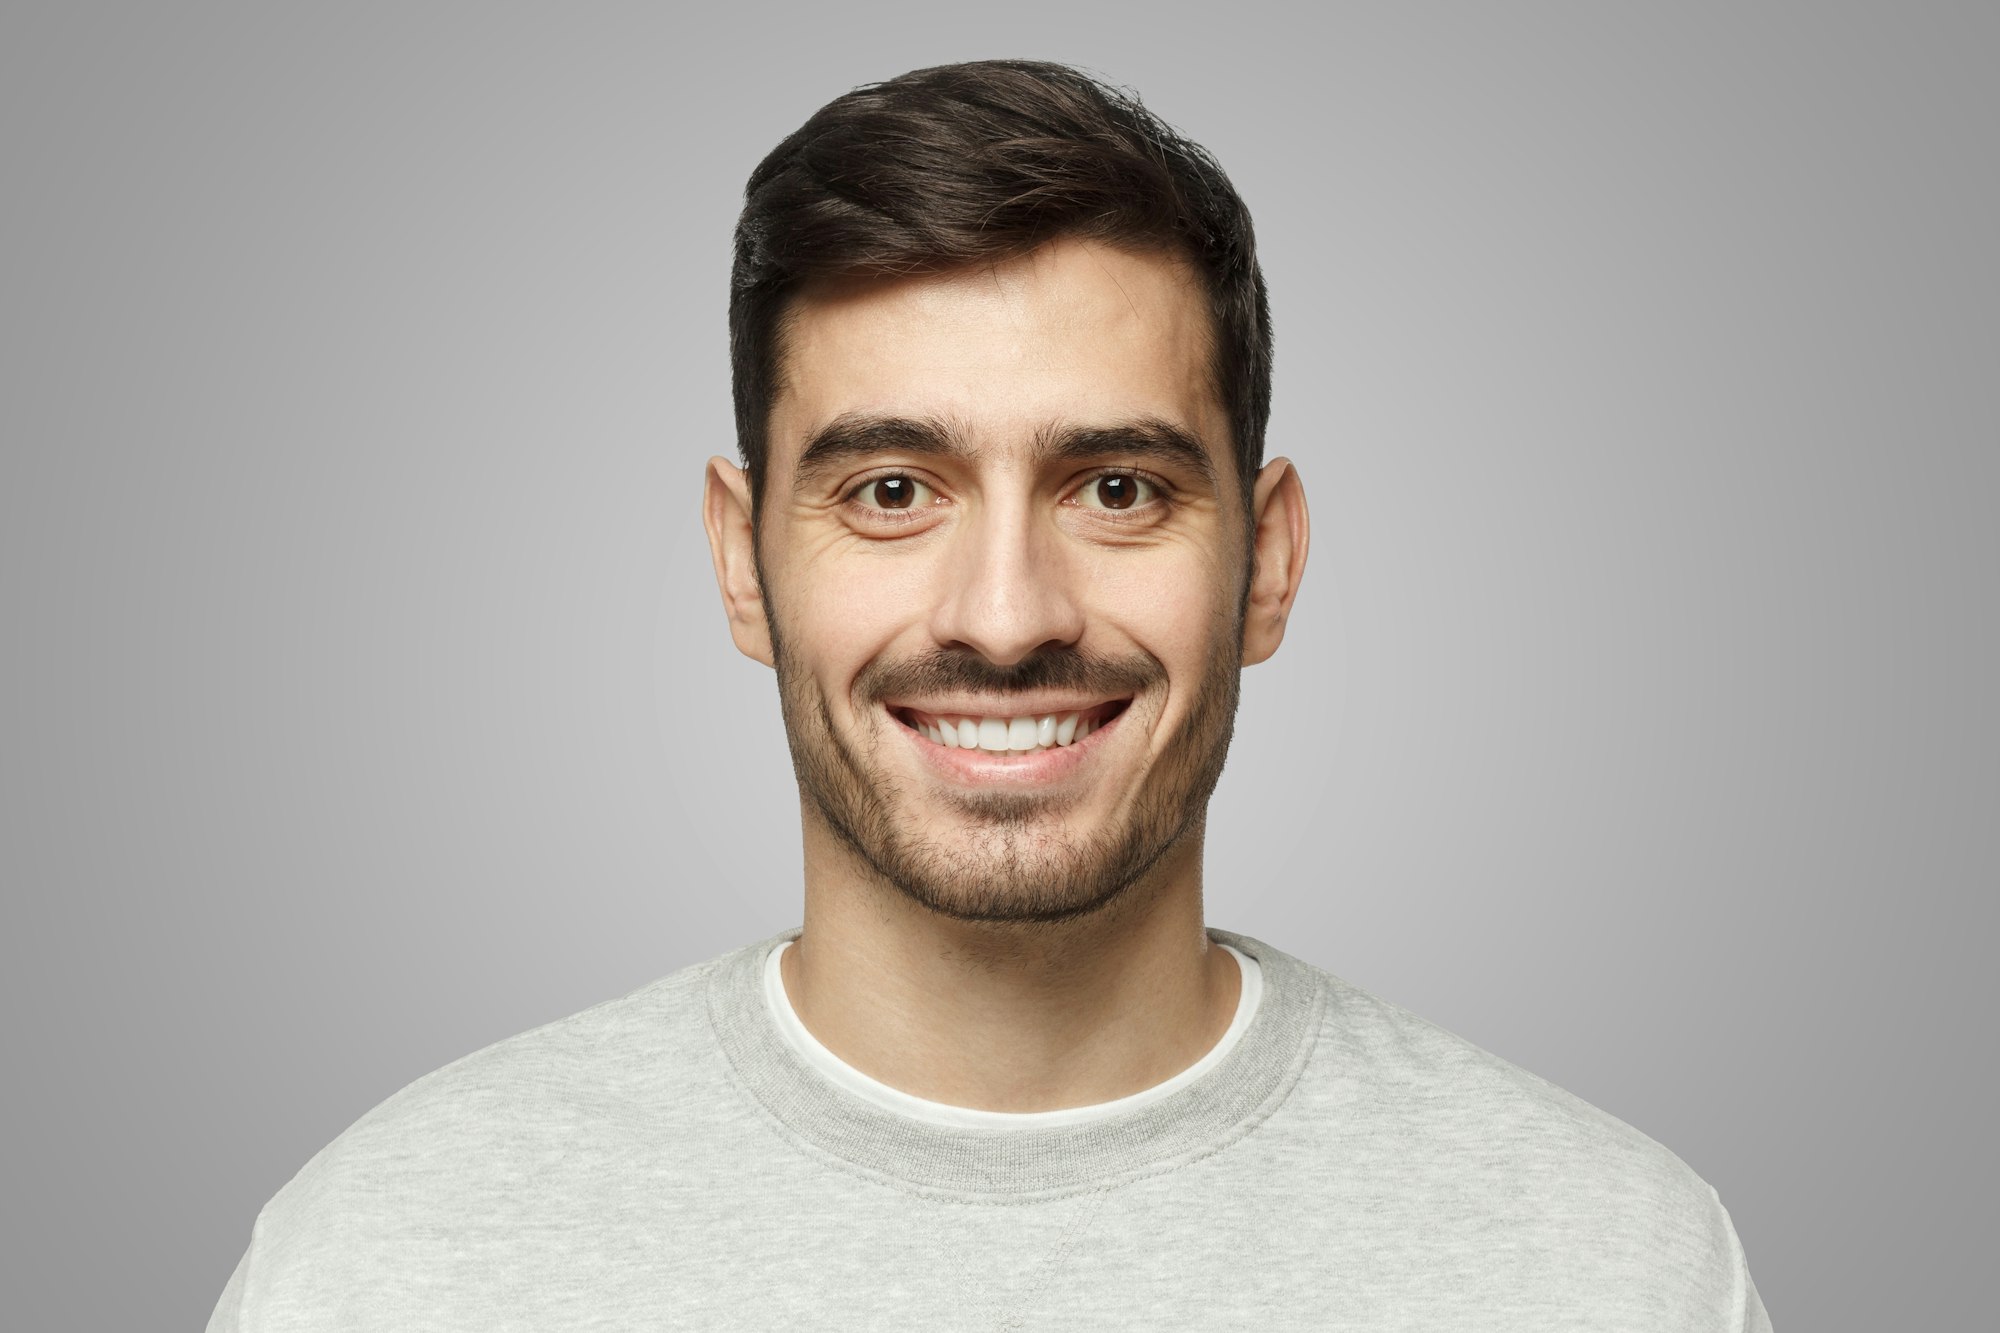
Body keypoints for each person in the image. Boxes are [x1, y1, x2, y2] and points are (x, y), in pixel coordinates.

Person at [207, 59, 1770, 1330]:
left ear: (1271, 560)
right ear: (743, 562)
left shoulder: (1608, 1268)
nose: (1007, 617)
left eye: (1117, 487)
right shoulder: (392, 1262)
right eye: (892, 488)